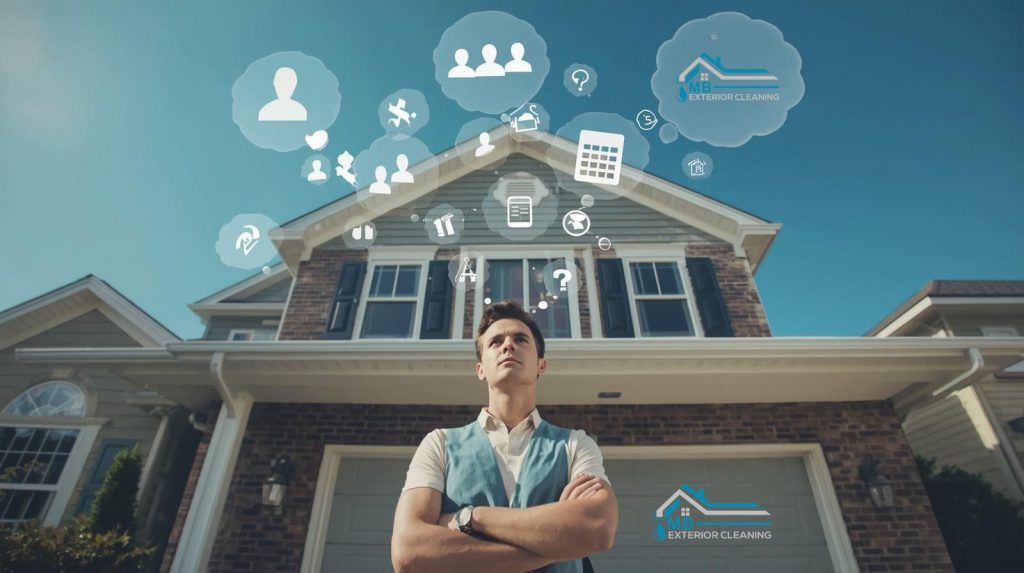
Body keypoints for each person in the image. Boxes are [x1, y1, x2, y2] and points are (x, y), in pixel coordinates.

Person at [392, 301, 617, 573]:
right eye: (495, 342)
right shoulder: (439, 444)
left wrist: (471, 517)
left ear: (541, 365)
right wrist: (558, 542)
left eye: (521, 339)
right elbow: (409, 553)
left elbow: (598, 528)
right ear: (480, 369)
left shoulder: (575, 445)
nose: (508, 345)